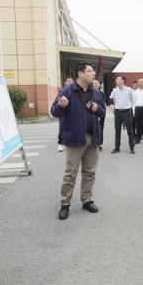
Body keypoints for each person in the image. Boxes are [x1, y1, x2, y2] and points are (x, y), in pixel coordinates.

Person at [51, 62, 105, 220]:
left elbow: (102, 112)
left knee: (90, 172)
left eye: (93, 71)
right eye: (89, 71)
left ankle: (87, 200)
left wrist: (96, 108)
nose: (93, 74)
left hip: (92, 138)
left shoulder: (95, 93)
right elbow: (54, 112)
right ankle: (65, 204)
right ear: (80, 74)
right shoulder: (67, 91)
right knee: (71, 173)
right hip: (75, 139)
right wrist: (61, 106)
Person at [109, 76, 135, 154]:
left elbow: (133, 100)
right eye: (116, 79)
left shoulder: (129, 90)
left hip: (127, 112)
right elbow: (111, 99)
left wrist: (131, 110)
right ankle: (117, 148)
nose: (116, 80)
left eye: (118, 79)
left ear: (123, 81)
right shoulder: (114, 90)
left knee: (130, 130)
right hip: (118, 112)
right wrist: (113, 108)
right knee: (117, 130)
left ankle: (132, 147)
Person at [57, 76, 74, 152]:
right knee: (62, 128)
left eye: (71, 81)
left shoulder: (75, 91)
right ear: (65, 83)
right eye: (69, 81)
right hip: (64, 113)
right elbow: (59, 101)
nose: (70, 82)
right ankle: (60, 144)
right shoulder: (62, 91)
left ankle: (70, 142)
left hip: (72, 113)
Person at [133, 78, 143, 144]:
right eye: (139, 81)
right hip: (137, 109)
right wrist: (133, 111)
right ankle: (138, 139)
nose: (141, 83)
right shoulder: (135, 92)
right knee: (138, 125)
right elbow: (133, 102)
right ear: (138, 83)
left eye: (142, 81)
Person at [93, 79, 104, 151]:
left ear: (99, 85)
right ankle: (94, 143)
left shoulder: (101, 93)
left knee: (100, 129)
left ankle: (100, 144)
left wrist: (100, 114)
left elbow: (103, 104)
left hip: (100, 113)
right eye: (94, 83)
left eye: (97, 83)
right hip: (92, 113)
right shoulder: (89, 92)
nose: (95, 84)